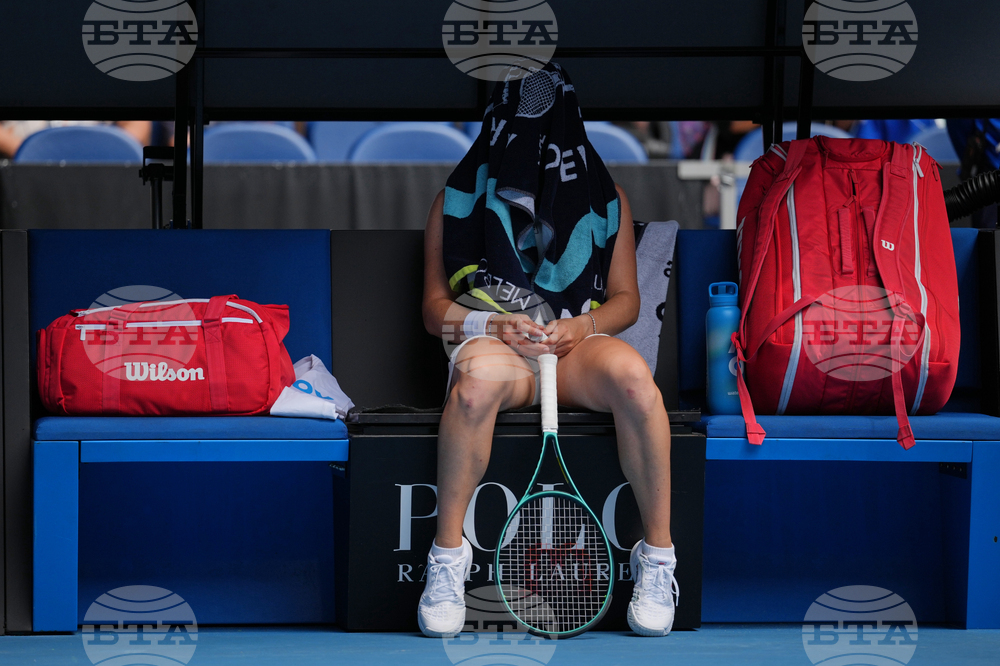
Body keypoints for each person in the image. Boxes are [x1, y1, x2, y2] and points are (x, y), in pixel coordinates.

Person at [418, 62, 677, 638]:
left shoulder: (609, 199)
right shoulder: (454, 199)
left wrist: (580, 329)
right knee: (475, 388)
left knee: (636, 380)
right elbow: (436, 311)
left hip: (573, 345)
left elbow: (626, 302)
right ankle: (446, 562)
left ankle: (658, 559)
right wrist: (492, 324)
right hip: (496, 344)